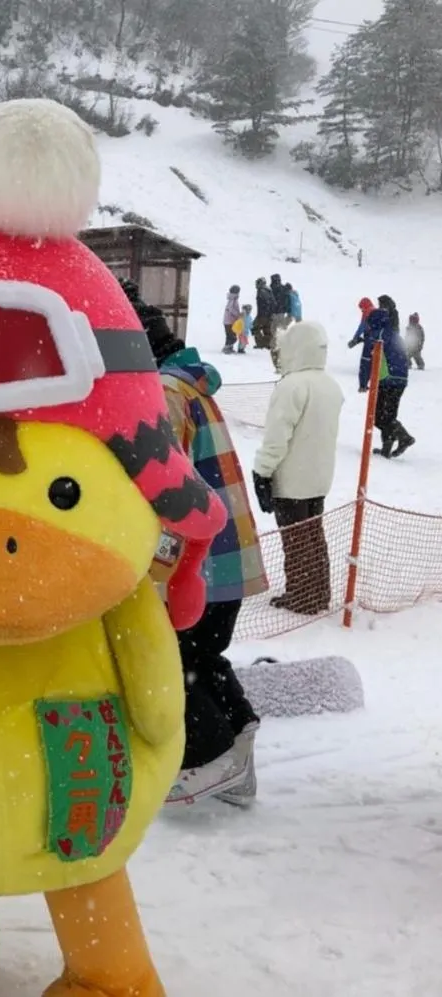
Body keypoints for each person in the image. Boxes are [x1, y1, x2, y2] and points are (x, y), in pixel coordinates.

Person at [124, 278, 268, 808]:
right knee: (201, 655)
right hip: (226, 561)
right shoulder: (189, 384)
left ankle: (209, 760)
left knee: (172, 661)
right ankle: (237, 742)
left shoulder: (163, 393)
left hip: (197, 568)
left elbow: (164, 488)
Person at [251, 321, 344, 616]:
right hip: (319, 477)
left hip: (292, 479)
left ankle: (301, 596)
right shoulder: (330, 385)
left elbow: (277, 437)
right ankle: (318, 593)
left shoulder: (291, 386)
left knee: (295, 540)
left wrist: (262, 471)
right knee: (313, 535)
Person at [360, 295, 415, 458]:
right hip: (401, 379)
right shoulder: (394, 333)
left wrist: (363, 382)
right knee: (389, 415)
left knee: (378, 417)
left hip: (386, 378)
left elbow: (366, 360)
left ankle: (404, 437)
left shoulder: (375, 335)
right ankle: (387, 447)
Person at [253, 277, 275, 351]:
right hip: (269, 314)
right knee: (267, 329)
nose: (256, 285)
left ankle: (261, 343)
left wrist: (262, 314)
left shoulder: (262, 291)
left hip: (263, 314)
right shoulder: (269, 290)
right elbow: (273, 303)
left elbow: (266, 303)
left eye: (257, 283)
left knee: (255, 327)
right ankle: (268, 343)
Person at [222, 284, 241, 354]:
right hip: (229, 321)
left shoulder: (232, 298)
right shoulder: (233, 299)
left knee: (230, 335)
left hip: (229, 321)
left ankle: (229, 347)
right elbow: (230, 309)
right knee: (232, 336)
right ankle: (226, 348)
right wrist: (238, 315)